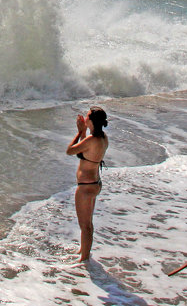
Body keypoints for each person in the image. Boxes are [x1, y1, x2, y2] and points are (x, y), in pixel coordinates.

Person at [65, 106, 108, 262]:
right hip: (95, 183)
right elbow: (84, 151)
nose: (85, 116)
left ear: (91, 120)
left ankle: (84, 260)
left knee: (85, 225)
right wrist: (84, 132)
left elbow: (70, 150)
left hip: (85, 186)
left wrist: (79, 132)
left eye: (87, 115)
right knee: (88, 223)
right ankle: (83, 252)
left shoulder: (91, 140)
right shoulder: (102, 138)